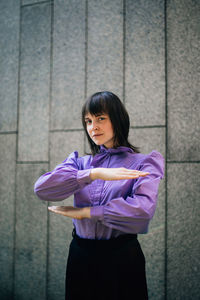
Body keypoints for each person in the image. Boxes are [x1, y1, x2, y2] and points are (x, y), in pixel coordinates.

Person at [34, 91, 164, 300]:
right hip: (80, 255)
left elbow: (142, 211)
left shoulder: (143, 163)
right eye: (88, 120)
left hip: (121, 257)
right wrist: (93, 174)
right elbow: (42, 189)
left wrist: (86, 212)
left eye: (100, 118)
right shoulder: (79, 164)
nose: (93, 126)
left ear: (118, 119)